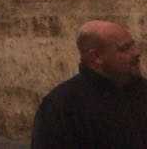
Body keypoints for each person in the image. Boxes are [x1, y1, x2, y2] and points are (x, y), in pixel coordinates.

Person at [32, 19, 147, 147]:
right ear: (96, 57)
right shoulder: (61, 107)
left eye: (133, 45)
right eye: (125, 48)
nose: (136, 53)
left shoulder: (141, 89)